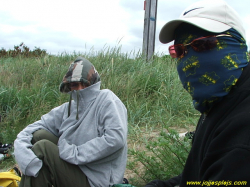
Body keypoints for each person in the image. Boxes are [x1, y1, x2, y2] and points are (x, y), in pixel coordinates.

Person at [144, 0, 250, 186]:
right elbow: (199, 176)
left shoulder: (242, 130)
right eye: (180, 50)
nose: (190, 61)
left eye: (203, 44)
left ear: (236, 45)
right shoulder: (220, 102)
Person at [14, 56, 128, 187]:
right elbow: (34, 128)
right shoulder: (67, 108)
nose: (79, 88)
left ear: (93, 82)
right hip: (75, 167)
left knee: (43, 148)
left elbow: (115, 139)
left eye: (84, 83)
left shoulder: (107, 100)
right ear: (69, 86)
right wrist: (23, 153)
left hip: (97, 180)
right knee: (38, 135)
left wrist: (74, 153)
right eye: (74, 84)